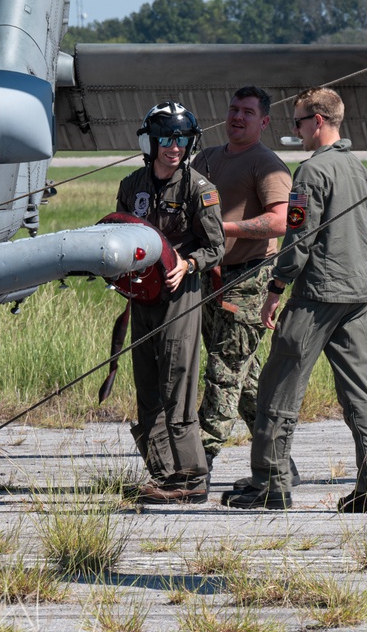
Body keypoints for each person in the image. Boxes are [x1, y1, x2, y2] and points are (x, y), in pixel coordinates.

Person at [222, 87, 367, 512]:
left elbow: (298, 239)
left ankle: (271, 485)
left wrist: (275, 290)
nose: (295, 132)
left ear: (317, 121)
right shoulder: (358, 168)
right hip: (357, 295)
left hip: (316, 296)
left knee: (277, 391)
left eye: (297, 123)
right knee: (360, 396)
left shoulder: (310, 174)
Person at [116, 101, 225, 504]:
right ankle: (164, 476)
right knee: (147, 385)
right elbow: (120, 230)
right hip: (141, 295)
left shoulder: (200, 189)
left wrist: (189, 261)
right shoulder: (132, 185)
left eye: (180, 139)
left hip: (181, 294)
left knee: (177, 383)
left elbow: (216, 245)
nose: (173, 147)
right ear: (152, 142)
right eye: (166, 139)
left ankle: (193, 476)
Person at [190, 86, 297, 482]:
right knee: (247, 385)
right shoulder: (207, 159)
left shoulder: (267, 166)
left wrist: (224, 229)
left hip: (248, 281)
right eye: (233, 109)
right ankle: (279, 467)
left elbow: (282, 221)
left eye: (247, 112)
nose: (237, 117)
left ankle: (197, 468)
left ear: (263, 121)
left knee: (224, 372)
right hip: (210, 278)